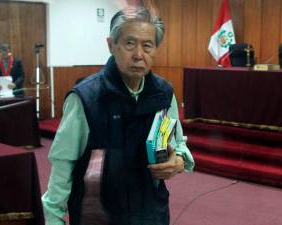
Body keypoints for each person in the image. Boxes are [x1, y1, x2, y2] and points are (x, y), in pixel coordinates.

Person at [41, 7, 194, 225]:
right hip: (97, 216)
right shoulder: (86, 98)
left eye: (147, 45)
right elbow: (62, 167)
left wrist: (178, 161)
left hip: (152, 214)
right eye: (129, 43)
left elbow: (178, 143)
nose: (139, 55)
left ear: (155, 50)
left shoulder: (164, 94)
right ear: (111, 45)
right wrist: (53, 220)